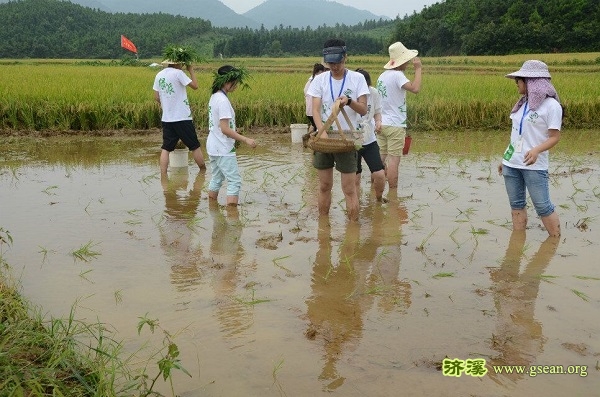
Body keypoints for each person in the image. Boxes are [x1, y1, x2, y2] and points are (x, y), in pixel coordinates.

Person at [307, 38, 369, 221]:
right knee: (324, 185)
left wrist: (349, 101)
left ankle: (352, 229)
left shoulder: (357, 79)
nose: (335, 67)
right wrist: (323, 134)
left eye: (338, 62)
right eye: (331, 63)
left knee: (349, 189)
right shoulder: (319, 80)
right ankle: (323, 227)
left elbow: (364, 109)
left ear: (346, 58)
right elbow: (315, 110)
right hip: (325, 139)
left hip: (347, 140)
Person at [498, 60, 562, 237]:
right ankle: (518, 243)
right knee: (516, 204)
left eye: (518, 80)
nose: (516, 84)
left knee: (543, 206)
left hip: (534, 165)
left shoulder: (551, 106)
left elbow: (555, 137)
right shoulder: (522, 104)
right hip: (512, 164)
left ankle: (555, 241)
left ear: (530, 82)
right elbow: (516, 135)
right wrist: (506, 158)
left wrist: (536, 150)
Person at [206, 65, 257, 207]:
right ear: (227, 82)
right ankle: (233, 218)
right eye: (235, 82)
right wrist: (245, 139)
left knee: (216, 178)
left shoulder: (215, 96)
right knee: (234, 181)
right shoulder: (222, 100)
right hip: (223, 147)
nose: (236, 85)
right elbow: (224, 129)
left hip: (213, 145)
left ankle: (213, 209)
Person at [376, 41, 422, 190]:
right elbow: (415, 88)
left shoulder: (382, 76)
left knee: (379, 159)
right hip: (395, 125)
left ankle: (375, 189)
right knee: (394, 161)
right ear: (400, 62)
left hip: (381, 123)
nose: (408, 63)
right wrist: (418, 69)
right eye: (406, 61)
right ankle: (393, 194)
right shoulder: (398, 75)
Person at [153, 58, 206, 174]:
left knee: (166, 148)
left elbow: (156, 97)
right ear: (177, 63)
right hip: (182, 117)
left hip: (167, 118)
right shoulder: (179, 73)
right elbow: (195, 86)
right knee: (194, 145)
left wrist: (168, 104)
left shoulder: (159, 75)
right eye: (182, 63)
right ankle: (203, 172)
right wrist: (191, 70)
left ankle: (163, 176)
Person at [355, 68, 386, 202]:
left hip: (369, 138)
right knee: (355, 177)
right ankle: (355, 204)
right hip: (353, 140)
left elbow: (377, 112)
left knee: (379, 174)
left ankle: (379, 200)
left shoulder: (373, 93)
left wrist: (378, 122)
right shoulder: (349, 94)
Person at [304, 63, 326, 131]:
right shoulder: (318, 81)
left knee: (314, 126)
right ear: (321, 71)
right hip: (316, 112)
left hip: (309, 111)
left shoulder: (309, 81)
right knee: (319, 129)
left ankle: (310, 138)